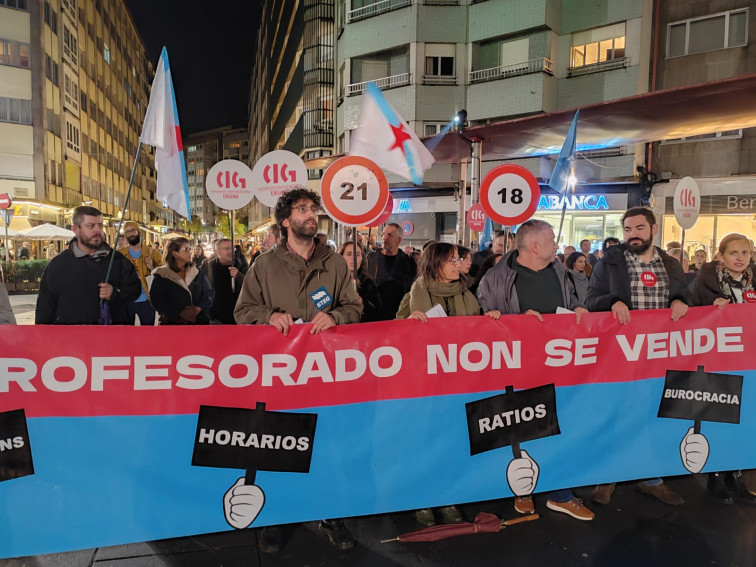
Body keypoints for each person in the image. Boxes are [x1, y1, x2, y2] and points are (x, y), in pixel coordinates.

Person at [234, 187, 361, 553]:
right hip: (282, 375)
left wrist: (336, 315)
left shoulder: (335, 263)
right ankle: (279, 518)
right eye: (302, 209)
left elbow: (354, 306)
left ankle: (330, 515)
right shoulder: (264, 265)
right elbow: (242, 312)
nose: (311, 214)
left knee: (328, 445)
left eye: (313, 208)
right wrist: (268, 316)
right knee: (281, 445)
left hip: (326, 373)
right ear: (286, 221)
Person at [477, 219, 593, 521]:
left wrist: (580, 309)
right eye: (552, 239)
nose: (557, 243)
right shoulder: (496, 276)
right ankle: (523, 490)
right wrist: (515, 319)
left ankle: (561, 494)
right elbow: (482, 320)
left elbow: (575, 302)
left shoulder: (560, 271)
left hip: (559, 364)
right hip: (516, 366)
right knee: (522, 426)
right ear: (534, 246)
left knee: (562, 427)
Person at [586, 206, 689, 507]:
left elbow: (685, 296)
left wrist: (682, 300)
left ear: (654, 229)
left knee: (654, 415)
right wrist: (614, 301)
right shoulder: (611, 262)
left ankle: (651, 477)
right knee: (617, 415)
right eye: (628, 230)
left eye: (639, 229)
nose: (633, 235)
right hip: (620, 356)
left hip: (658, 356)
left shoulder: (670, 264)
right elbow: (592, 300)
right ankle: (608, 476)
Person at [396, 242, 492, 526]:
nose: (457, 264)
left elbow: (478, 330)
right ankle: (422, 500)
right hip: (425, 386)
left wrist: (491, 320)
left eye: (458, 259)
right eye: (451, 260)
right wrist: (407, 324)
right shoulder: (416, 293)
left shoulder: (466, 293)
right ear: (435, 263)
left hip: (459, 384)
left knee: (453, 441)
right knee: (423, 441)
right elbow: (391, 339)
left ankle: (447, 498)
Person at [689, 233, 756, 504]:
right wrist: (711, 309)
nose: (739, 258)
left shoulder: (753, 281)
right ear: (721, 255)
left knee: (744, 420)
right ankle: (715, 476)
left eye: (745, 253)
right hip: (717, 360)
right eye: (733, 253)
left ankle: (736, 474)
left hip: (749, 361)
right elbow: (692, 316)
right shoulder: (705, 281)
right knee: (718, 417)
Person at [36, 206, 141, 325]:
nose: (97, 230)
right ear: (75, 229)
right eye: (91, 226)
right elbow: (44, 308)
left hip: (112, 337)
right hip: (71, 338)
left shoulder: (117, 260)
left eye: (100, 225)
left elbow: (134, 290)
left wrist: (115, 293)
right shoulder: (58, 265)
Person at [150, 237, 214, 325]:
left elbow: (209, 294)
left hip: (198, 324)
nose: (190, 252)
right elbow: (157, 300)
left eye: (190, 249)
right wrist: (179, 315)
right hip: (172, 325)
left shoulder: (197, 273)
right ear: (174, 253)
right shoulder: (162, 274)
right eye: (186, 249)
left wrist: (197, 309)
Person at [366, 223, 416, 321]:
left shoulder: (408, 262)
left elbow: (412, 289)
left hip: (398, 317)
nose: (384, 238)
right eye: (383, 234)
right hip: (372, 316)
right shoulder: (370, 259)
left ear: (399, 240)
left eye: (389, 235)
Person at [118, 221, 164, 326]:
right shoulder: (120, 254)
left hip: (146, 301)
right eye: (127, 232)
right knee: (126, 335)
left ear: (139, 232)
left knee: (147, 336)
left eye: (133, 230)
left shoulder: (153, 253)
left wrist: (152, 267)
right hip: (127, 301)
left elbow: (164, 274)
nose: (131, 234)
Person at [202, 238, 246, 324]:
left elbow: (250, 286)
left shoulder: (240, 264)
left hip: (238, 315)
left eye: (231, 248)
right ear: (216, 251)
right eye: (226, 249)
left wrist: (238, 276)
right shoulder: (209, 266)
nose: (230, 251)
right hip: (216, 316)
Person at [339, 240, 381, 322]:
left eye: (357, 255)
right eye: (349, 254)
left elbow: (378, 313)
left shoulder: (369, 283)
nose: (353, 258)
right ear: (340, 257)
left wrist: (363, 303)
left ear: (362, 258)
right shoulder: (334, 282)